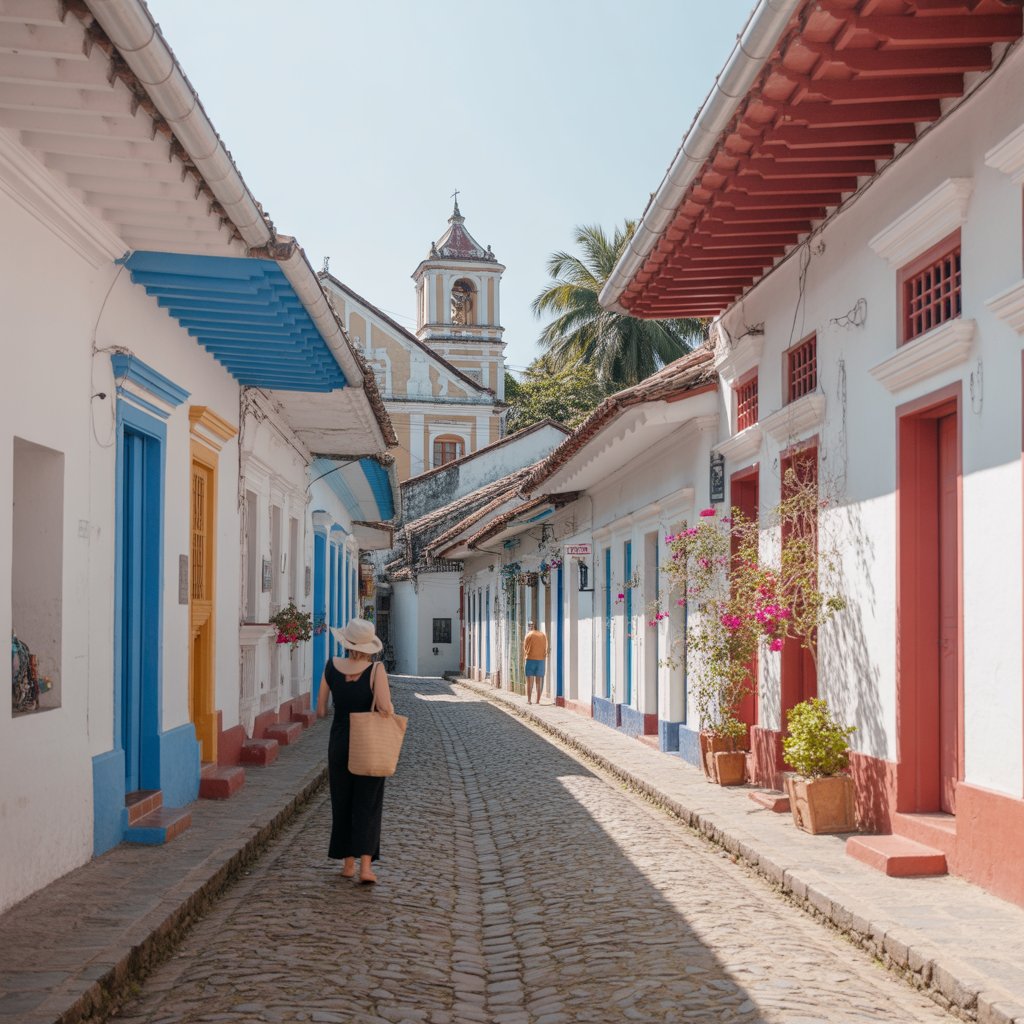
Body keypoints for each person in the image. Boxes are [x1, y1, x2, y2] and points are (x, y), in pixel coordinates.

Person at [316, 617, 394, 884]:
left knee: (342, 801)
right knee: (367, 803)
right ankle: (366, 868)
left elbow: (321, 710)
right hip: (368, 744)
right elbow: (385, 708)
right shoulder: (376, 670)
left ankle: (347, 864)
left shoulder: (331, 666)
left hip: (339, 741)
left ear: (347, 643)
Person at [522, 620, 548, 705]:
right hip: (541, 660)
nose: (529, 626)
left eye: (530, 625)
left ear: (530, 626)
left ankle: (529, 700)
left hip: (530, 659)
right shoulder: (542, 635)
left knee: (529, 681)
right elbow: (546, 646)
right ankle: (538, 700)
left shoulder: (528, 635)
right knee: (538, 681)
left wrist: (525, 656)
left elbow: (525, 647)